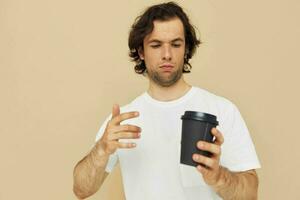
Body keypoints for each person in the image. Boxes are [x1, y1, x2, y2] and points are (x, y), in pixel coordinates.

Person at [73, 2, 261, 200]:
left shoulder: (222, 110)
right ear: (141, 52)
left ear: (186, 49)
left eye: (176, 44)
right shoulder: (124, 121)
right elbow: (81, 189)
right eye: (156, 45)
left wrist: (219, 177)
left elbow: (251, 195)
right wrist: (101, 149)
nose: (167, 55)